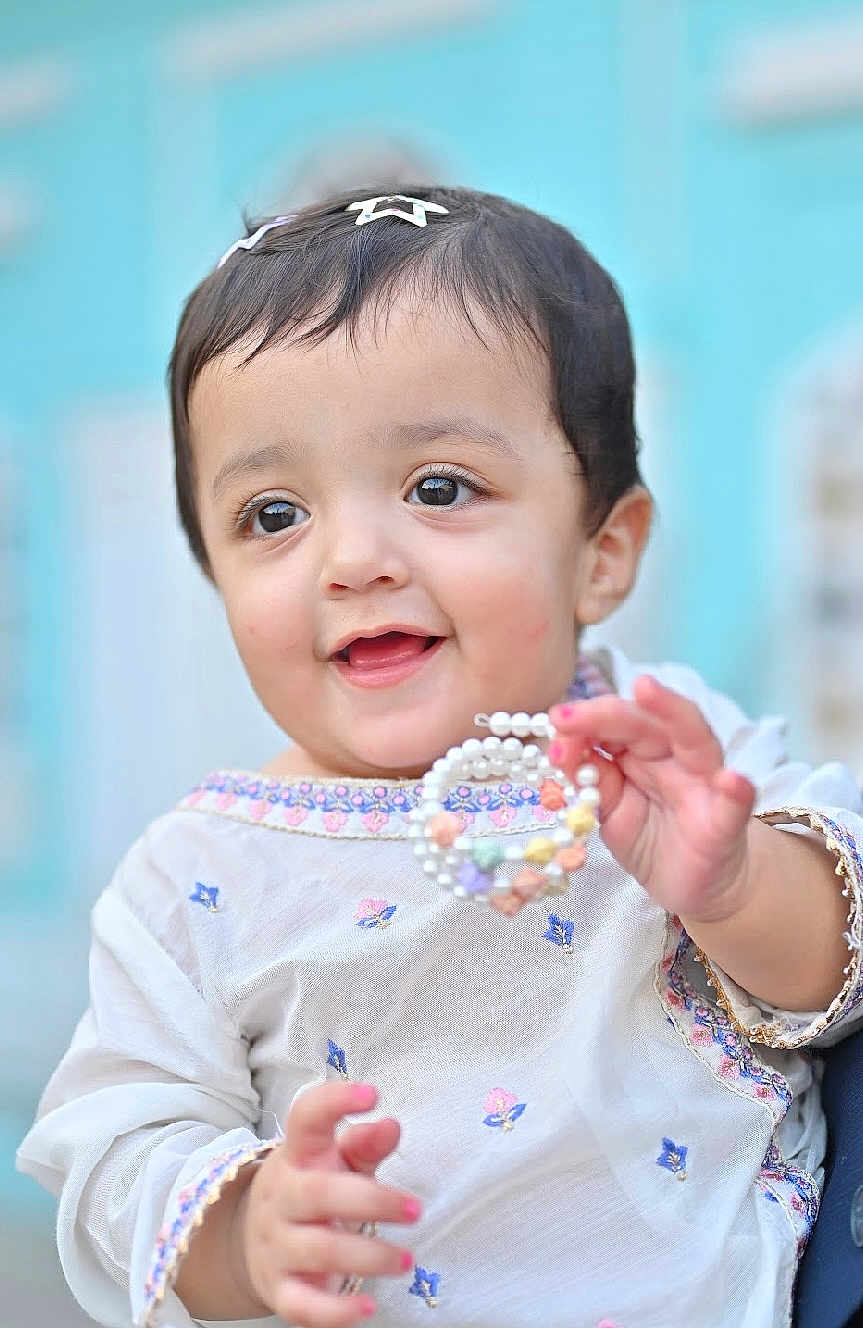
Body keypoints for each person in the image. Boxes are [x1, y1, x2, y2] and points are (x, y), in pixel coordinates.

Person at [16, 186, 863, 1328]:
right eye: (272, 515)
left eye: (437, 487)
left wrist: (734, 881)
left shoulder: (661, 753)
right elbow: (116, 1146)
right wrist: (245, 1222)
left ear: (599, 553)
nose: (353, 558)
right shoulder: (197, 876)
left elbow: (835, 958)